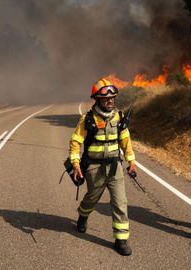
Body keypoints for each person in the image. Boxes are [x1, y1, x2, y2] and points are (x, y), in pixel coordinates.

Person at [69, 78, 137, 256]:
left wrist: (131, 162)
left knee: (120, 202)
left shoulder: (119, 117)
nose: (110, 101)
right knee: (91, 199)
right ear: (97, 100)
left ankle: (121, 239)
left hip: (115, 167)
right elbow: (76, 143)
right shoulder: (88, 119)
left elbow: (125, 141)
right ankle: (83, 215)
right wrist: (76, 165)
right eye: (106, 99)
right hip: (94, 168)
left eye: (113, 98)